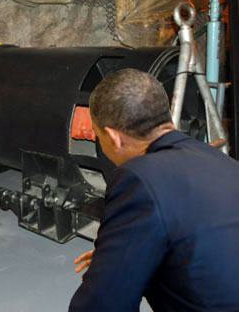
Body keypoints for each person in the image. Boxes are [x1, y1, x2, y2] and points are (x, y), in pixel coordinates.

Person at [69, 69, 239, 312]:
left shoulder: (138, 178)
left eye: (98, 136)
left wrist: (109, 270)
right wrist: (116, 257)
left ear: (114, 137)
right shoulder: (221, 160)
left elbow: (102, 305)